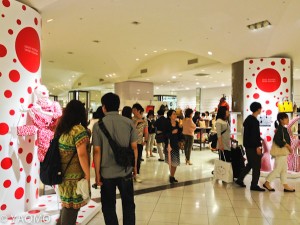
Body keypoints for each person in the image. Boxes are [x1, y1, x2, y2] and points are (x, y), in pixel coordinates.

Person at [92, 93, 138, 225]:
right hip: (125, 170)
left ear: (104, 107)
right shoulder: (129, 123)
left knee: (108, 206)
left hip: (107, 173)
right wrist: (134, 167)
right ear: (118, 106)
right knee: (128, 204)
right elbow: (134, 147)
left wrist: (97, 175)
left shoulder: (98, 125)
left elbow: (97, 151)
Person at [55, 100, 90, 225]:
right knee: (71, 209)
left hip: (62, 175)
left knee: (66, 206)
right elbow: (82, 154)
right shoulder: (78, 130)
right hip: (74, 177)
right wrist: (87, 174)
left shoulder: (62, 128)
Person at [235, 102, 265, 191]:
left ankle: (240, 179)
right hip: (253, 146)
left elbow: (250, 134)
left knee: (250, 164)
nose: (261, 109)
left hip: (248, 146)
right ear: (258, 109)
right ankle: (254, 185)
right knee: (256, 166)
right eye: (260, 108)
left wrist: (259, 139)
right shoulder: (254, 121)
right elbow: (254, 135)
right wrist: (258, 146)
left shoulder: (249, 119)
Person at [263, 113, 295, 192]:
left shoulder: (282, 128)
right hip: (281, 153)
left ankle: (285, 185)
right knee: (278, 169)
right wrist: (288, 146)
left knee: (284, 169)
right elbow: (278, 140)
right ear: (281, 120)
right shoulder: (281, 129)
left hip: (283, 153)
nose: (288, 120)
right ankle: (267, 182)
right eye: (286, 118)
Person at [132, 103, 148, 182]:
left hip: (139, 142)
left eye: (134, 110)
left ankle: (136, 174)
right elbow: (131, 130)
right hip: (131, 142)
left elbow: (146, 131)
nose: (133, 111)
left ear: (139, 111)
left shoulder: (144, 120)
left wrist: (146, 140)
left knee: (138, 159)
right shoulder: (131, 119)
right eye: (133, 110)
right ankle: (132, 174)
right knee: (132, 158)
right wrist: (137, 122)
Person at [165, 110, 182, 183]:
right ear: (170, 116)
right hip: (169, 145)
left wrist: (181, 129)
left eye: (175, 114)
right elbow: (165, 135)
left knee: (175, 162)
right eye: (174, 114)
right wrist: (172, 132)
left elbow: (180, 134)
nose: (175, 115)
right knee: (170, 161)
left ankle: (172, 176)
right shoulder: (167, 124)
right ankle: (171, 176)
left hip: (175, 144)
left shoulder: (177, 123)